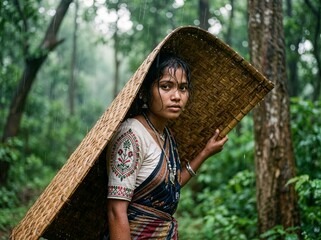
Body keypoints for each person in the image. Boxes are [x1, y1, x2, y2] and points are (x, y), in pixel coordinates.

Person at [105, 52, 229, 239]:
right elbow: (116, 210)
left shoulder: (166, 135)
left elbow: (173, 184)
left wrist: (205, 153)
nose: (177, 96)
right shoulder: (131, 135)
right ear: (145, 92)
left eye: (183, 88)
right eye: (166, 86)